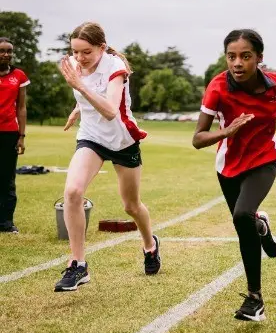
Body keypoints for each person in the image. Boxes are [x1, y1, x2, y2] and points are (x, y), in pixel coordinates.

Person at [193, 29, 276, 321]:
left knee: (242, 214)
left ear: (259, 58)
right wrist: (225, 131)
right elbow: (197, 138)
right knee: (245, 223)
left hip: (264, 160)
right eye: (231, 56)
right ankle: (260, 225)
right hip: (228, 167)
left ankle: (255, 299)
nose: (237, 63)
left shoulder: (274, 82)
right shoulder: (217, 88)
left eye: (245, 56)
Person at [55, 22, 160, 292]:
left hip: (122, 140)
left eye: (86, 52)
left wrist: (79, 86)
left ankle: (150, 245)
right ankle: (78, 264)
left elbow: (111, 110)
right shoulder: (75, 65)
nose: (79, 58)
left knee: (131, 206)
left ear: (102, 47)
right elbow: (84, 93)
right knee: (73, 192)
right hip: (91, 137)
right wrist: (76, 109)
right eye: (75, 52)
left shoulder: (115, 68)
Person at [0, 37, 29, 234]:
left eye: (9, 51)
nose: (6, 54)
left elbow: (22, 107)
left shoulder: (18, 75)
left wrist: (22, 135)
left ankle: (6, 223)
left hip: (9, 133)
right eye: (2, 51)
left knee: (7, 179)